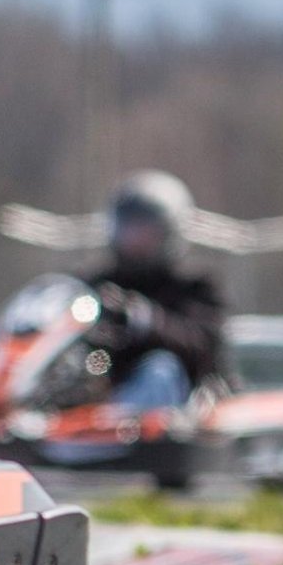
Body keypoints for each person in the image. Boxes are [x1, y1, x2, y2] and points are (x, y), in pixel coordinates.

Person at [83, 170, 223, 411]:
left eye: (146, 232)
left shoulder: (194, 287)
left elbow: (202, 347)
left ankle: (119, 432)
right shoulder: (95, 286)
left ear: (169, 233)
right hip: (102, 395)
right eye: (129, 229)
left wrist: (144, 319)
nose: (136, 240)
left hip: (178, 412)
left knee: (160, 369)